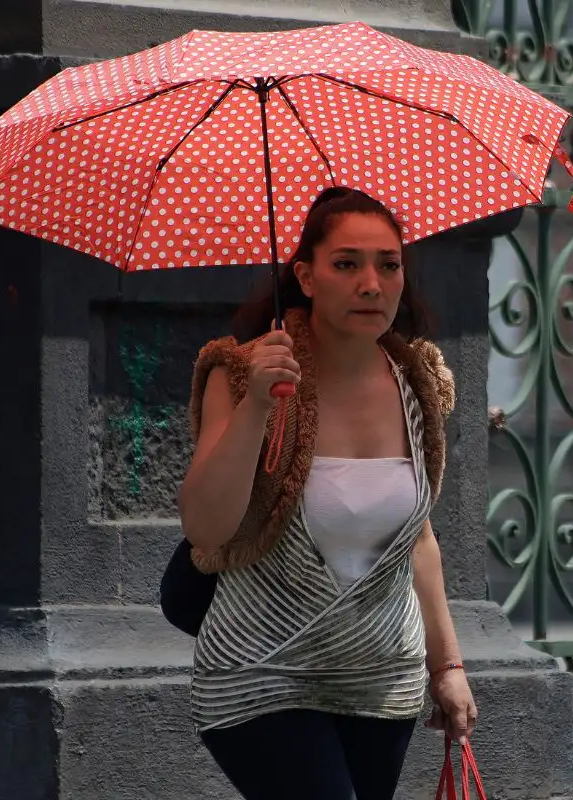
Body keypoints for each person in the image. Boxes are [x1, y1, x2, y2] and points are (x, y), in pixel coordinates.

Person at [176, 187, 477, 799]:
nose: (371, 283)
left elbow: (418, 541)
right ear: (306, 278)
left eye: (388, 264)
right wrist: (256, 406)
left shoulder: (417, 382)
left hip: (380, 680)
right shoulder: (240, 372)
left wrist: (447, 667)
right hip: (263, 673)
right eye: (346, 264)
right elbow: (205, 528)